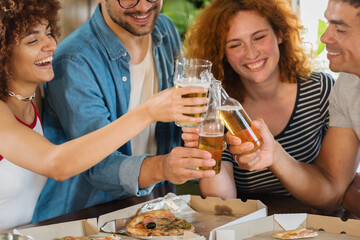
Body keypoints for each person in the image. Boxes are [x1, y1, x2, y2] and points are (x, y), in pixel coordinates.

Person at [0, 0, 212, 230]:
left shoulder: (36, 96)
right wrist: (148, 112)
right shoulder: (70, 64)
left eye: (49, 33)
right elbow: (57, 163)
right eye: (33, 40)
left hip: (38, 232)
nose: (52, 45)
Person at [182, 0, 335, 199]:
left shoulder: (320, 90)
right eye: (235, 44)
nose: (251, 53)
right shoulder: (219, 108)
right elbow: (220, 200)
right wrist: (207, 153)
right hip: (250, 224)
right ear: (223, 54)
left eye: (259, 37)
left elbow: (334, 186)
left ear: (280, 34)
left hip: (316, 220)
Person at [225, 0, 360, 216]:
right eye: (329, 24)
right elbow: (333, 190)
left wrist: (350, 196)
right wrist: (275, 155)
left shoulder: (320, 87)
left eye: (340, 29)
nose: (325, 38)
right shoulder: (347, 86)